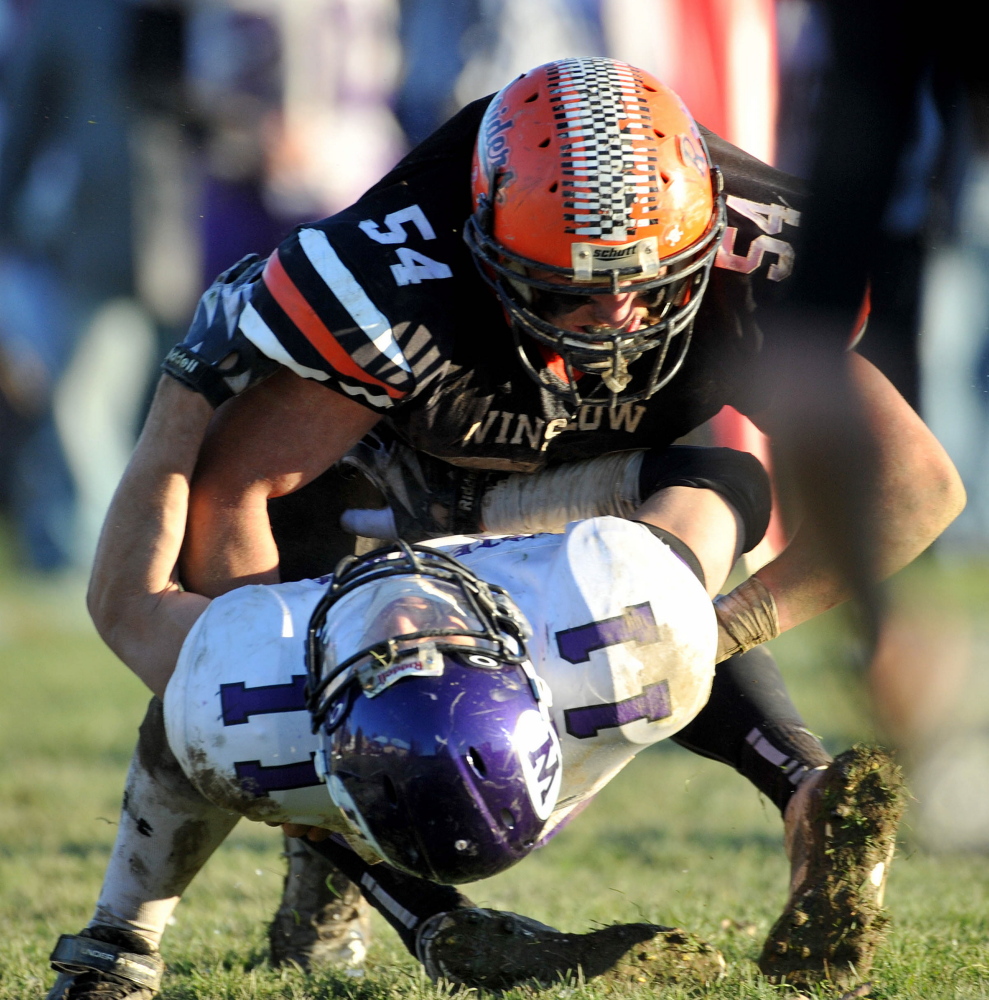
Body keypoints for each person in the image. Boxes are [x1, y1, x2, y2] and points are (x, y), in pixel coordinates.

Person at [87, 57, 958, 991]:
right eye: (568, 292)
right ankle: (796, 781)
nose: (612, 318)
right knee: (242, 683)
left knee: (681, 536)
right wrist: (283, 659)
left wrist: (710, 633)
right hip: (380, 498)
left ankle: (129, 941)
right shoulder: (394, 271)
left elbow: (913, 486)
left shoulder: (753, 257)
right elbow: (235, 498)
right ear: (478, 240)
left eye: (644, 285)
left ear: (705, 236)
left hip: (595, 510)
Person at [47, 374, 900, 998]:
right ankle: (799, 781)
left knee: (236, 698)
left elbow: (137, 594)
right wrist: (705, 618)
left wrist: (185, 386)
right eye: (432, 644)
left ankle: (130, 942)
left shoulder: (257, 717)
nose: (403, 623)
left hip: (357, 730)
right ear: (515, 663)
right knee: (665, 626)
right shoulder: (595, 620)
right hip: (572, 618)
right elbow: (729, 480)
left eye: (388, 651)